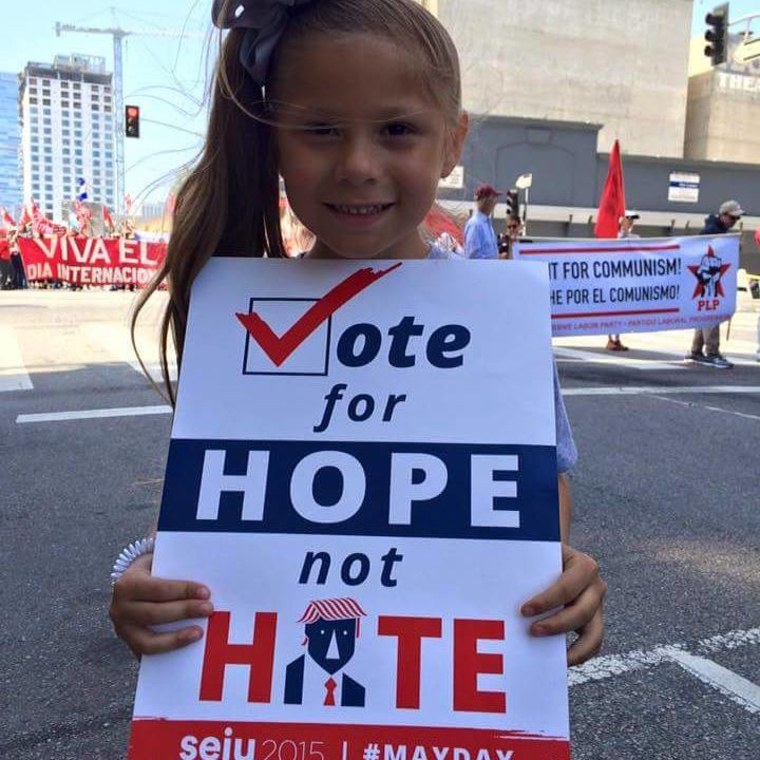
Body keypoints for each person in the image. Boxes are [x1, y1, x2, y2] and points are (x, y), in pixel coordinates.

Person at [110, 0, 605, 668]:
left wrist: (556, 570)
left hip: (442, 696)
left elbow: (539, 482)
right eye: (319, 130)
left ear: (453, 141)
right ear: (274, 141)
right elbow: (220, 502)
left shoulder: (494, 319)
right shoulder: (242, 315)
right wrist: (148, 575)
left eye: (397, 129)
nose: (358, 165)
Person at [685, 200, 743, 369]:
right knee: (712, 312)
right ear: (723, 215)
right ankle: (712, 352)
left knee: (705, 312)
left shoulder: (719, 232)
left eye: (736, 219)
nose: (734, 222)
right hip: (708, 278)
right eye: (732, 218)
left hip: (710, 278)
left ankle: (696, 350)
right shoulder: (712, 232)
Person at [606, 212, 639, 351]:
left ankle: (617, 338)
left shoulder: (635, 238)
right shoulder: (612, 236)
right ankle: (610, 339)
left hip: (627, 278)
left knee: (621, 310)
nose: (630, 223)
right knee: (611, 310)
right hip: (613, 279)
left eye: (632, 221)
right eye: (628, 220)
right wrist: (623, 232)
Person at [464, 184, 501, 259]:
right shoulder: (475, 224)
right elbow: (473, 255)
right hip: (482, 269)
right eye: (493, 197)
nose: (495, 202)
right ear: (485, 200)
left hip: (489, 268)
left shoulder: (487, 224)